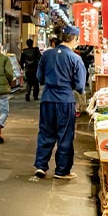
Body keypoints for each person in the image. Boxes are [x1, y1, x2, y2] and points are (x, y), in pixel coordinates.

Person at [34, 25, 86, 180]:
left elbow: (39, 77)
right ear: (75, 39)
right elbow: (80, 85)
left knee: (45, 132)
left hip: (47, 98)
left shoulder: (46, 55)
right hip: (65, 100)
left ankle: (41, 166)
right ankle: (62, 170)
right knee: (64, 135)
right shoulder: (75, 58)